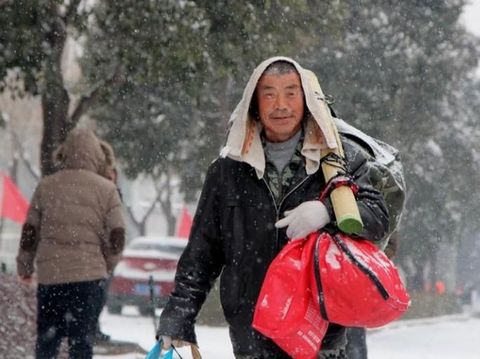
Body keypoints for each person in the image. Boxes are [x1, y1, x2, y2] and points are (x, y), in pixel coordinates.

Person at [157, 57, 390, 359]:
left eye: (291, 93)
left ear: (306, 100)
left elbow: (378, 216)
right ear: (254, 103)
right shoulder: (227, 171)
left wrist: (326, 213)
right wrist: (178, 318)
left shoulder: (339, 160)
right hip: (252, 334)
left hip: (319, 336)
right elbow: (201, 254)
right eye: (269, 94)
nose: (281, 105)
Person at [16, 128, 126, 359]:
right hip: (88, 280)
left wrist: (24, 267)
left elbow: (30, 232)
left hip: (51, 278)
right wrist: (106, 265)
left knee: (47, 344)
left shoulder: (46, 186)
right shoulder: (106, 190)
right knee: (81, 345)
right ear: (97, 155)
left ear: (64, 153)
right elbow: (116, 235)